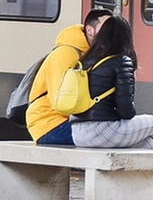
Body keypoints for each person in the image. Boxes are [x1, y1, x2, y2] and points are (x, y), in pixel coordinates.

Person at [69, 15, 153, 150]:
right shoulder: (122, 62)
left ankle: (133, 170)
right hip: (102, 131)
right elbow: (126, 111)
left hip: (78, 133)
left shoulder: (86, 60)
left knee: (148, 143)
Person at [26, 8, 112, 146]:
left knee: (126, 135)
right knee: (114, 136)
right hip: (50, 124)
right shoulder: (65, 55)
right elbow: (60, 103)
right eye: (106, 27)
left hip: (65, 122)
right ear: (90, 30)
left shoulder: (89, 54)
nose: (111, 32)